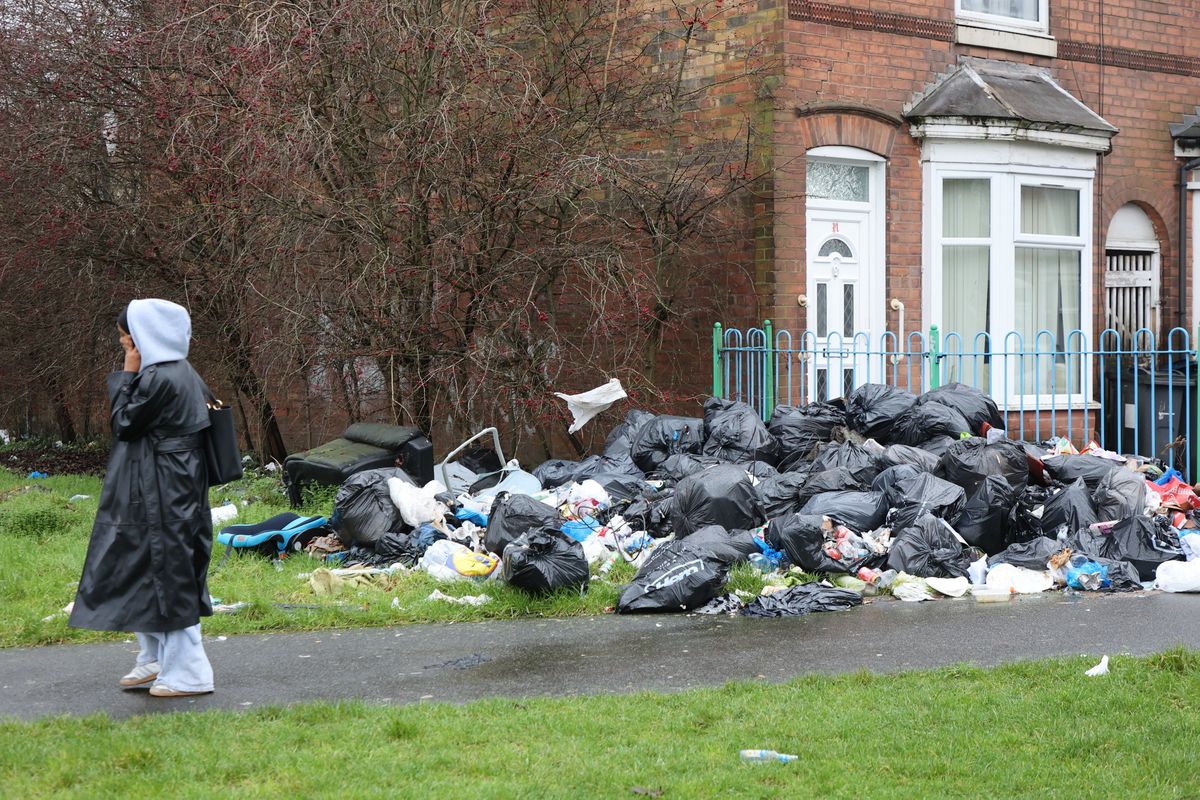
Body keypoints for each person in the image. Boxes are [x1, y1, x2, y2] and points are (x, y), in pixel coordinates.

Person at [69, 299, 217, 697]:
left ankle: (189, 672)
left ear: (142, 339)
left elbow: (124, 423)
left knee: (167, 573)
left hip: (166, 491)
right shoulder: (178, 372)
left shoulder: (160, 377)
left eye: (126, 341)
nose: (125, 348)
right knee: (145, 566)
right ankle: (155, 657)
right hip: (163, 486)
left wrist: (126, 373)